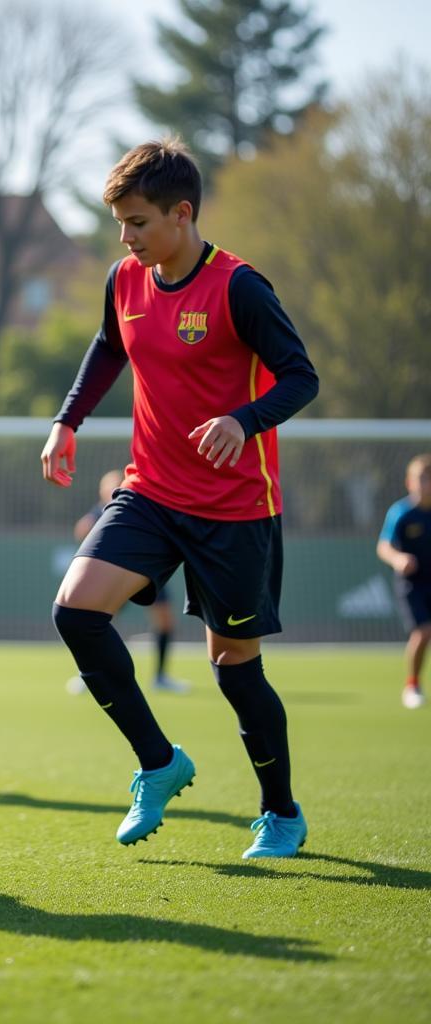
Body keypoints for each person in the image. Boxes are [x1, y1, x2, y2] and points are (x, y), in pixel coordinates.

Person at [41, 139, 319, 859]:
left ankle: (281, 813)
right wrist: (68, 421)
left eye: (136, 222)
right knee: (76, 610)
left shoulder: (239, 288)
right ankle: (159, 762)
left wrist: (242, 419)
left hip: (234, 509)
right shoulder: (124, 280)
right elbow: (109, 348)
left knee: (234, 669)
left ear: (181, 214)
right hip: (150, 491)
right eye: (120, 224)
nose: (125, 237)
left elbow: (300, 377)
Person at [71, 469, 189, 695]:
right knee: (95, 623)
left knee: (165, 622)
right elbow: (81, 531)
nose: (116, 490)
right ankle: (89, 674)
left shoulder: (142, 507)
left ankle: (160, 677)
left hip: (147, 573)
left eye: (119, 485)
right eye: (111, 487)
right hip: (115, 577)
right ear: (102, 491)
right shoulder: (99, 513)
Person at [376, 453, 431, 710]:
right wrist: (398, 559)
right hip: (412, 585)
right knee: (423, 633)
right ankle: (412, 685)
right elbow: (384, 546)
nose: (426, 484)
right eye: (422, 478)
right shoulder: (401, 513)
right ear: (410, 482)